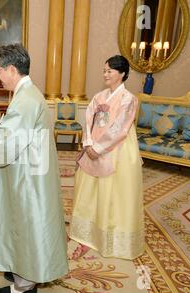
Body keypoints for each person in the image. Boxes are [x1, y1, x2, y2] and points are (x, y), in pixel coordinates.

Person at [0, 44, 68, 293]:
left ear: (11, 69)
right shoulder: (28, 93)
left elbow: (8, 139)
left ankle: (25, 283)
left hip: (28, 177)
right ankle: (24, 267)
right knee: (24, 221)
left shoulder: (25, 99)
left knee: (26, 221)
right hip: (29, 168)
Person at [69, 55, 144, 260]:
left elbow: (120, 128)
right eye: (104, 70)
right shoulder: (99, 97)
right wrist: (88, 144)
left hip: (117, 149)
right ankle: (88, 230)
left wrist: (100, 148)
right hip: (94, 144)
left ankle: (110, 235)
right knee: (90, 186)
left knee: (113, 190)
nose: (105, 74)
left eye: (110, 71)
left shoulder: (129, 99)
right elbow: (88, 119)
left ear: (122, 74)